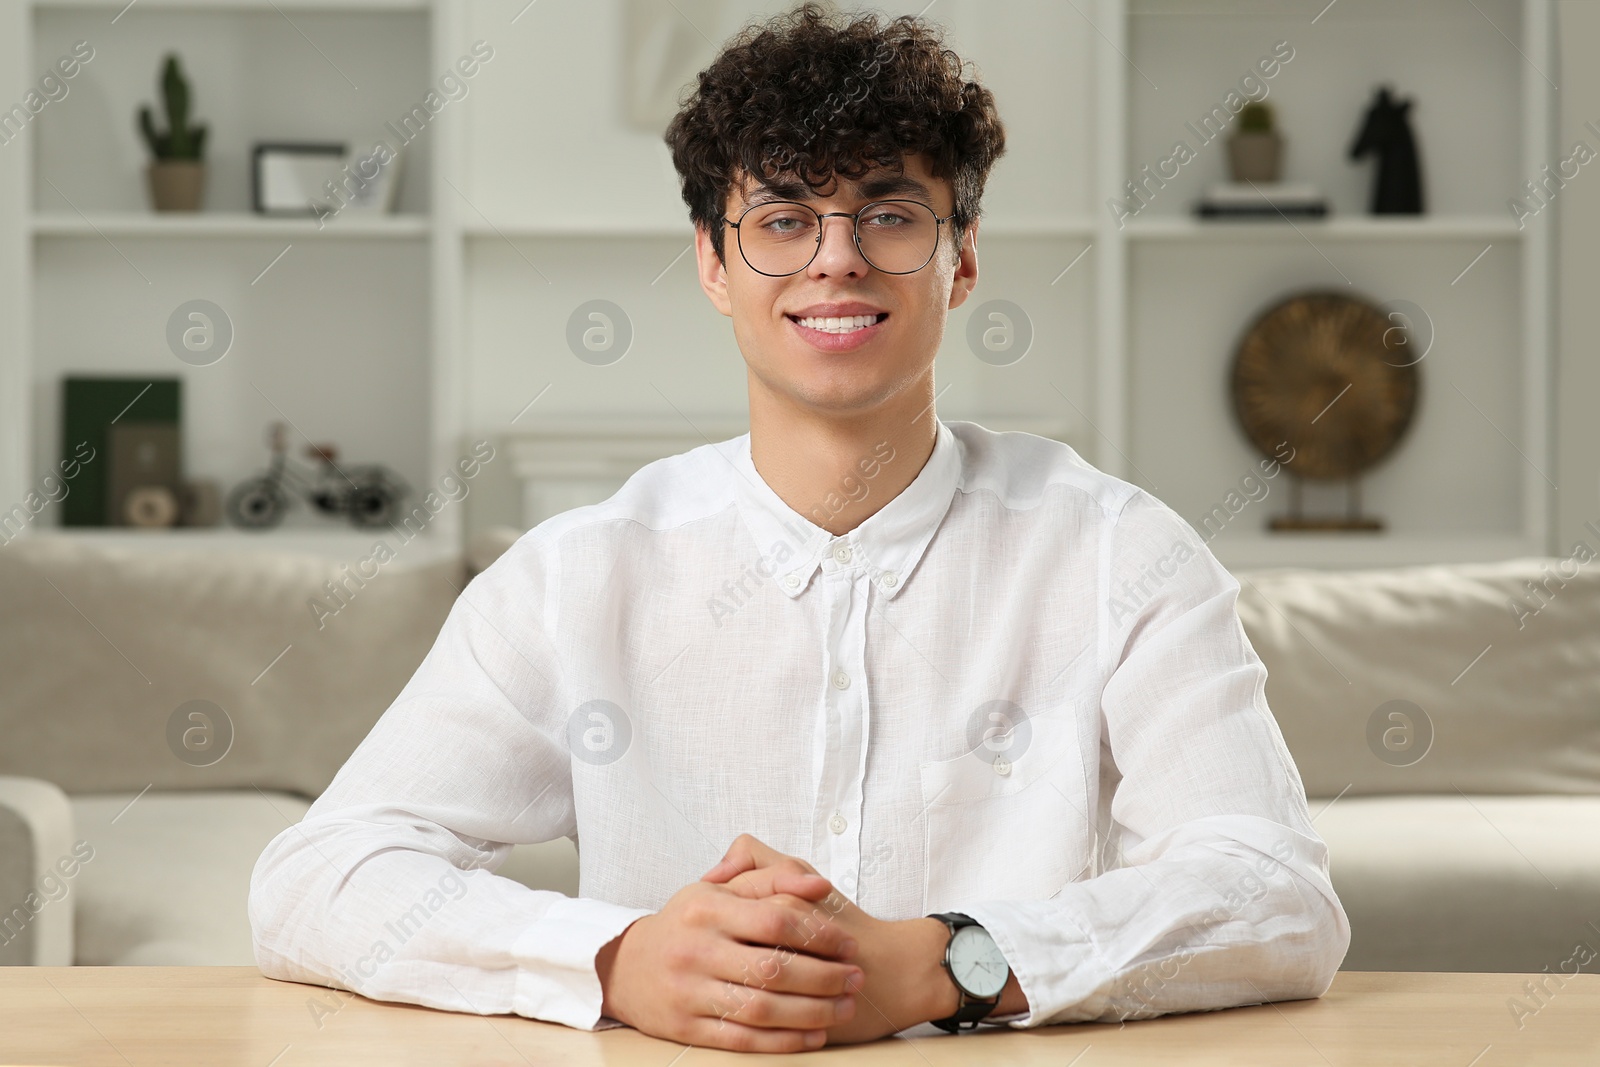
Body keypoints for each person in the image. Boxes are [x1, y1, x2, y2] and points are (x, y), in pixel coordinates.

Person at [249, 2, 1350, 1053]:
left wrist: (940, 964)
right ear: (713, 264)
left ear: (960, 256)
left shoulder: (1124, 555)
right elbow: (316, 877)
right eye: (783, 218)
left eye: (888, 213)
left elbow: (1275, 890)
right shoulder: (574, 576)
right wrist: (617, 958)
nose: (836, 258)